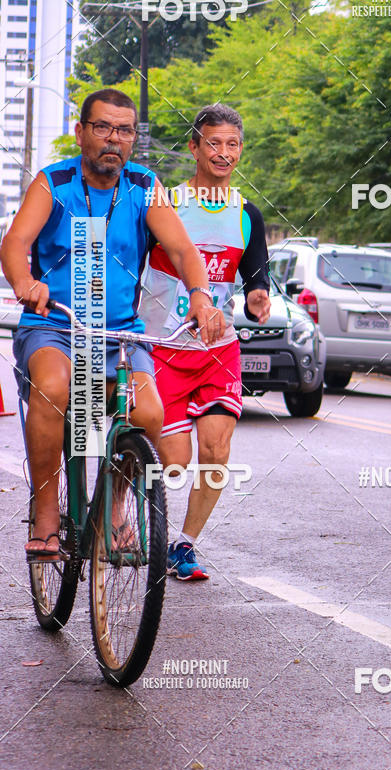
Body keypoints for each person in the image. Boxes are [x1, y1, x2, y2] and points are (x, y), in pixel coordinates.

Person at [0, 88, 224, 561]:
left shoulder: (144, 185)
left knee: (147, 414)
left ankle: (113, 508)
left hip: (118, 331)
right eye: (101, 127)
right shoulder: (53, 181)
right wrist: (25, 282)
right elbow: (15, 242)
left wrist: (201, 296)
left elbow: (184, 251)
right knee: (54, 387)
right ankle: (45, 513)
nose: (113, 139)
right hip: (54, 326)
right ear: (80, 132)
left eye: (124, 131)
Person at [139, 103, 270, 580]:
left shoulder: (246, 214)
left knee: (216, 449)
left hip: (218, 349)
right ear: (194, 146)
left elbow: (256, 273)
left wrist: (258, 297)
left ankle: (184, 545)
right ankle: (123, 499)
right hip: (161, 347)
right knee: (173, 464)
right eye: (213, 143)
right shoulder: (164, 204)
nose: (223, 153)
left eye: (232, 144)